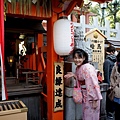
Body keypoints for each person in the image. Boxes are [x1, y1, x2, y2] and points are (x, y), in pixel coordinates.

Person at [64, 48, 102, 120]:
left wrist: (95, 99)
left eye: (79, 57)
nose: (77, 60)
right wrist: (74, 75)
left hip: (91, 97)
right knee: (86, 115)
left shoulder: (88, 68)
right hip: (85, 95)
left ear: (84, 58)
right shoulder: (79, 67)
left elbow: (93, 84)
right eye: (75, 58)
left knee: (91, 116)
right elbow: (81, 79)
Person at [103, 46, 116, 119]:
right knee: (111, 98)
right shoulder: (111, 61)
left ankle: (111, 112)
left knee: (111, 98)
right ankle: (110, 113)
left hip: (112, 83)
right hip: (112, 83)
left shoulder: (110, 61)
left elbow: (107, 73)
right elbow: (107, 73)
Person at [110, 51, 120, 120]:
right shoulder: (116, 65)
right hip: (118, 91)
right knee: (117, 112)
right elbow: (112, 77)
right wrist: (114, 86)